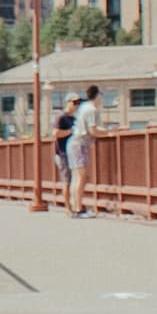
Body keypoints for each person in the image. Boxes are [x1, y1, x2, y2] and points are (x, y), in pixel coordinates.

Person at [67, 82, 101, 216]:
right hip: (80, 144)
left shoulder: (84, 107)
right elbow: (93, 130)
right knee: (81, 177)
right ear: (97, 95)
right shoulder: (91, 109)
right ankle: (79, 208)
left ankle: (75, 207)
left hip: (73, 143)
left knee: (76, 177)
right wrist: (108, 133)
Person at [52, 100, 78, 199]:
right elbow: (55, 133)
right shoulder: (61, 117)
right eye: (74, 102)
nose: (76, 105)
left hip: (73, 153)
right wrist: (70, 131)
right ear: (68, 102)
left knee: (75, 180)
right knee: (67, 181)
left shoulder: (74, 119)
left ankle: (75, 204)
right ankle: (68, 208)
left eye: (78, 103)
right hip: (62, 153)